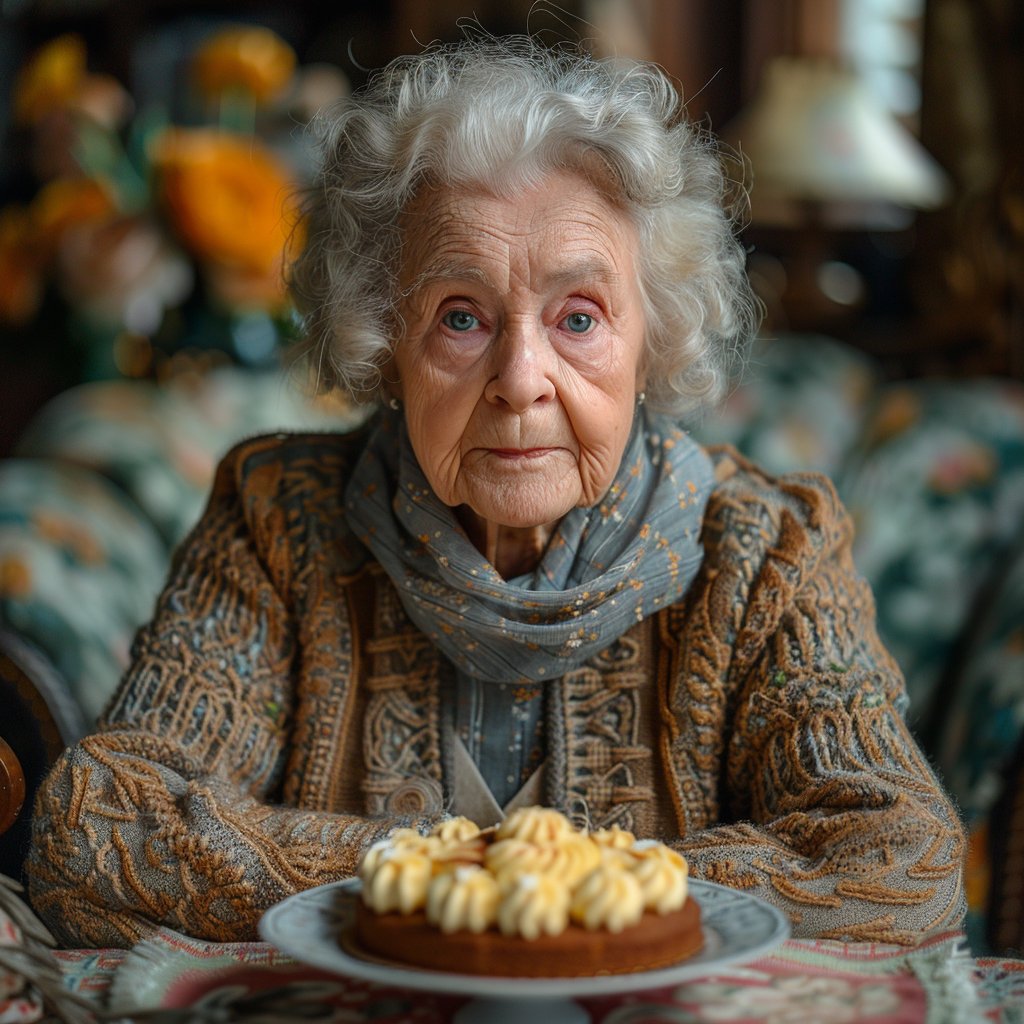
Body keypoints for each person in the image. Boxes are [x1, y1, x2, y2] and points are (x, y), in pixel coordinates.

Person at [26, 34, 965, 948]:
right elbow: (101, 826)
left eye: (580, 317)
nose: (522, 377)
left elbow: (900, 861)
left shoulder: (765, 553)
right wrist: (528, 886)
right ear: (387, 345)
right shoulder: (279, 523)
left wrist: (496, 894)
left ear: (655, 340)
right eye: (462, 316)